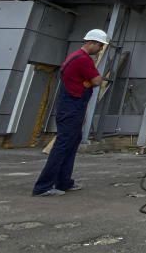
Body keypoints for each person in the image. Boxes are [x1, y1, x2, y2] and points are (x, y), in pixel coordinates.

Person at [32, 29, 108, 197]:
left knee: (71, 143)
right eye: (100, 46)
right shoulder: (83, 59)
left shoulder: (73, 57)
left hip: (71, 104)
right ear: (92, 43)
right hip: (72, 106)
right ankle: (43, 186)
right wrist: (90, 81)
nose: (100, 49)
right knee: (63, 145)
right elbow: (97, 81)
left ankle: (64, 182)